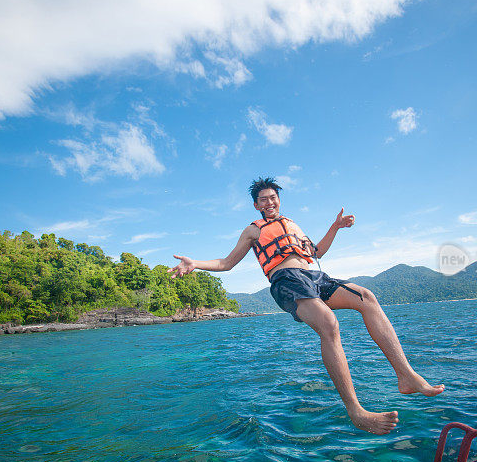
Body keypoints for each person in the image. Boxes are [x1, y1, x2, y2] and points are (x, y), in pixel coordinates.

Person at [169, 177, 443, 435]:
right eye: (263, 200)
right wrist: (196, 264)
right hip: (286, 280)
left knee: (366, 297)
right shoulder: (253, 230)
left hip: (314, 277)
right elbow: (227, 263)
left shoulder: (293, 225)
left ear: (279, 200)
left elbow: (317, 252)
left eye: (273, 198)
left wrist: (335, 227)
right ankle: (356, 411)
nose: (269, 203)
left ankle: (406, 376)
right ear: (256, 205)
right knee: (329, 323)